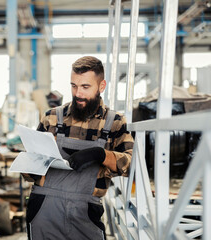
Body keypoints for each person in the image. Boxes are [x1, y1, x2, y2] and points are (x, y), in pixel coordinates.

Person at [22, 56, 134, 240]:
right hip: (44, 211)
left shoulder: (114, 122)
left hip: (86, 214)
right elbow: (29, 167)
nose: (78, 94)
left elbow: (131, 165)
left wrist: (101, 154)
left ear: (102, 86)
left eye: (85, 87)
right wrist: (31, 168)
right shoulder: (52, 118)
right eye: (74, 86)